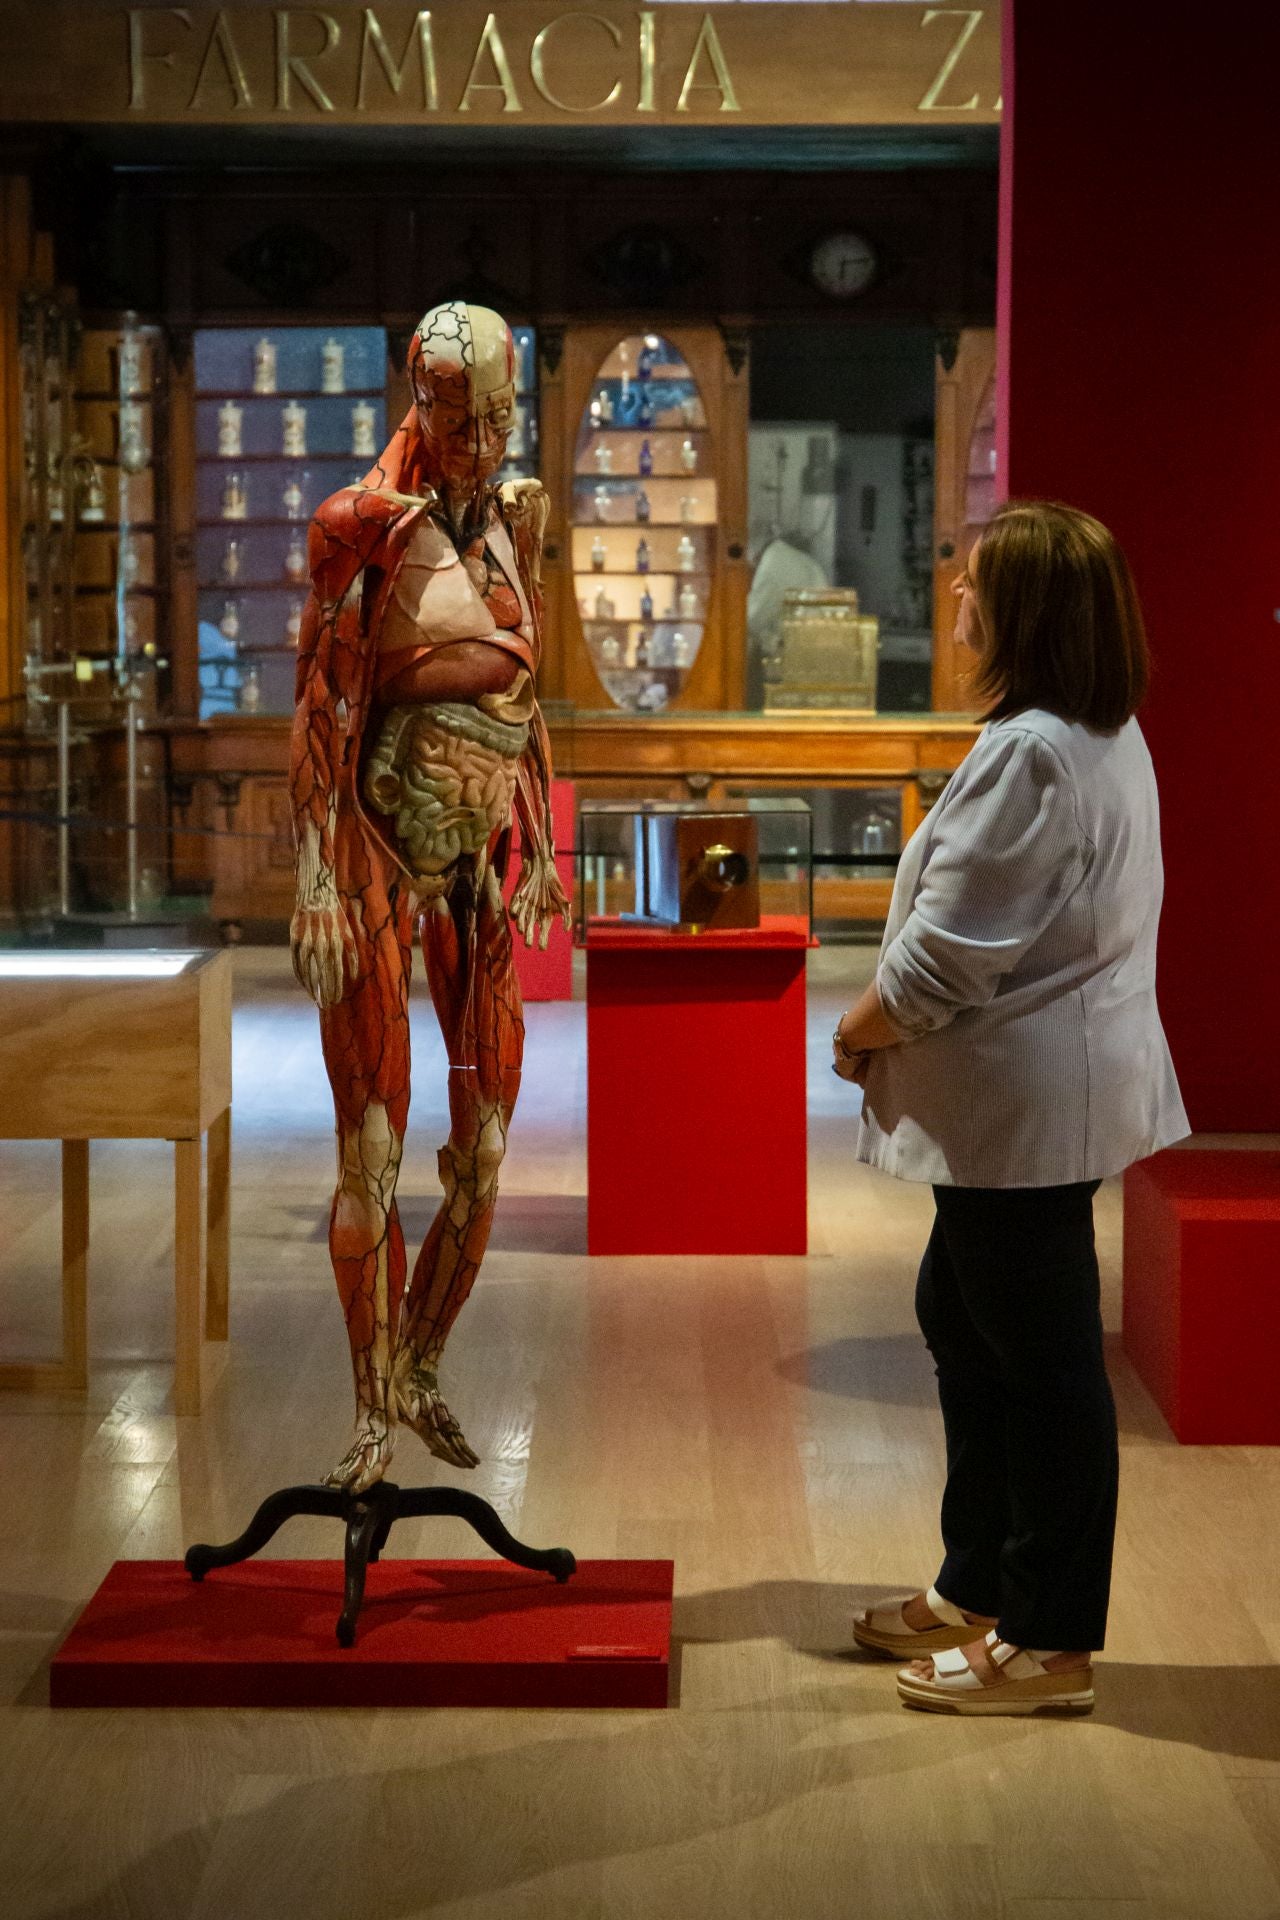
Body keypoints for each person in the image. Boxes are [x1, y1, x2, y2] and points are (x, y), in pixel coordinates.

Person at [833, 501, 1188, 1716]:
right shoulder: (1092, 733)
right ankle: (978, 1583)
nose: (955, 597)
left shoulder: (1035, 752)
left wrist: (855, 1029)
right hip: (1028, 1106)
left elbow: (947, 957)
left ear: (1025, 609)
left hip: (1021, 1110)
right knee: (967, 1318)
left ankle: (1045, 1639)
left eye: (973, 582)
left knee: (1038, 1368)